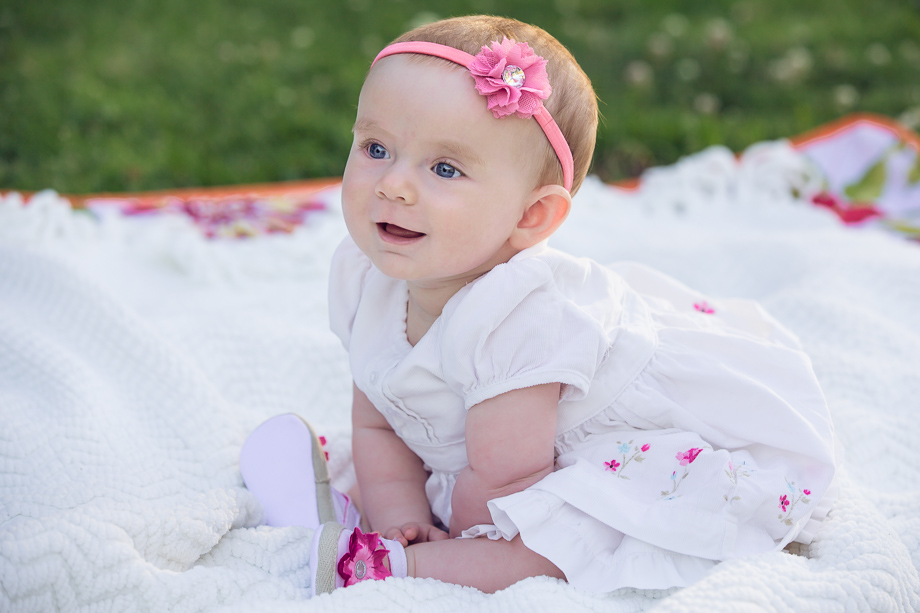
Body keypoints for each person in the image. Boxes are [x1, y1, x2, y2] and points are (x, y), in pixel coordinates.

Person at [239, 14, 837, 596]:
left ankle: (392, 570)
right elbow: (376, 419)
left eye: (444, 168)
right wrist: (398, 515)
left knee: (557, 542)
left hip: (567, 451)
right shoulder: (363, 275)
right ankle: (365, 533)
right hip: (491, 457)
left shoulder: (517, 318)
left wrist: (448, 544)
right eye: (375, 148)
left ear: (531, 217)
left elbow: (504, 489)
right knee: (401, 488)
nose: (394, 184)